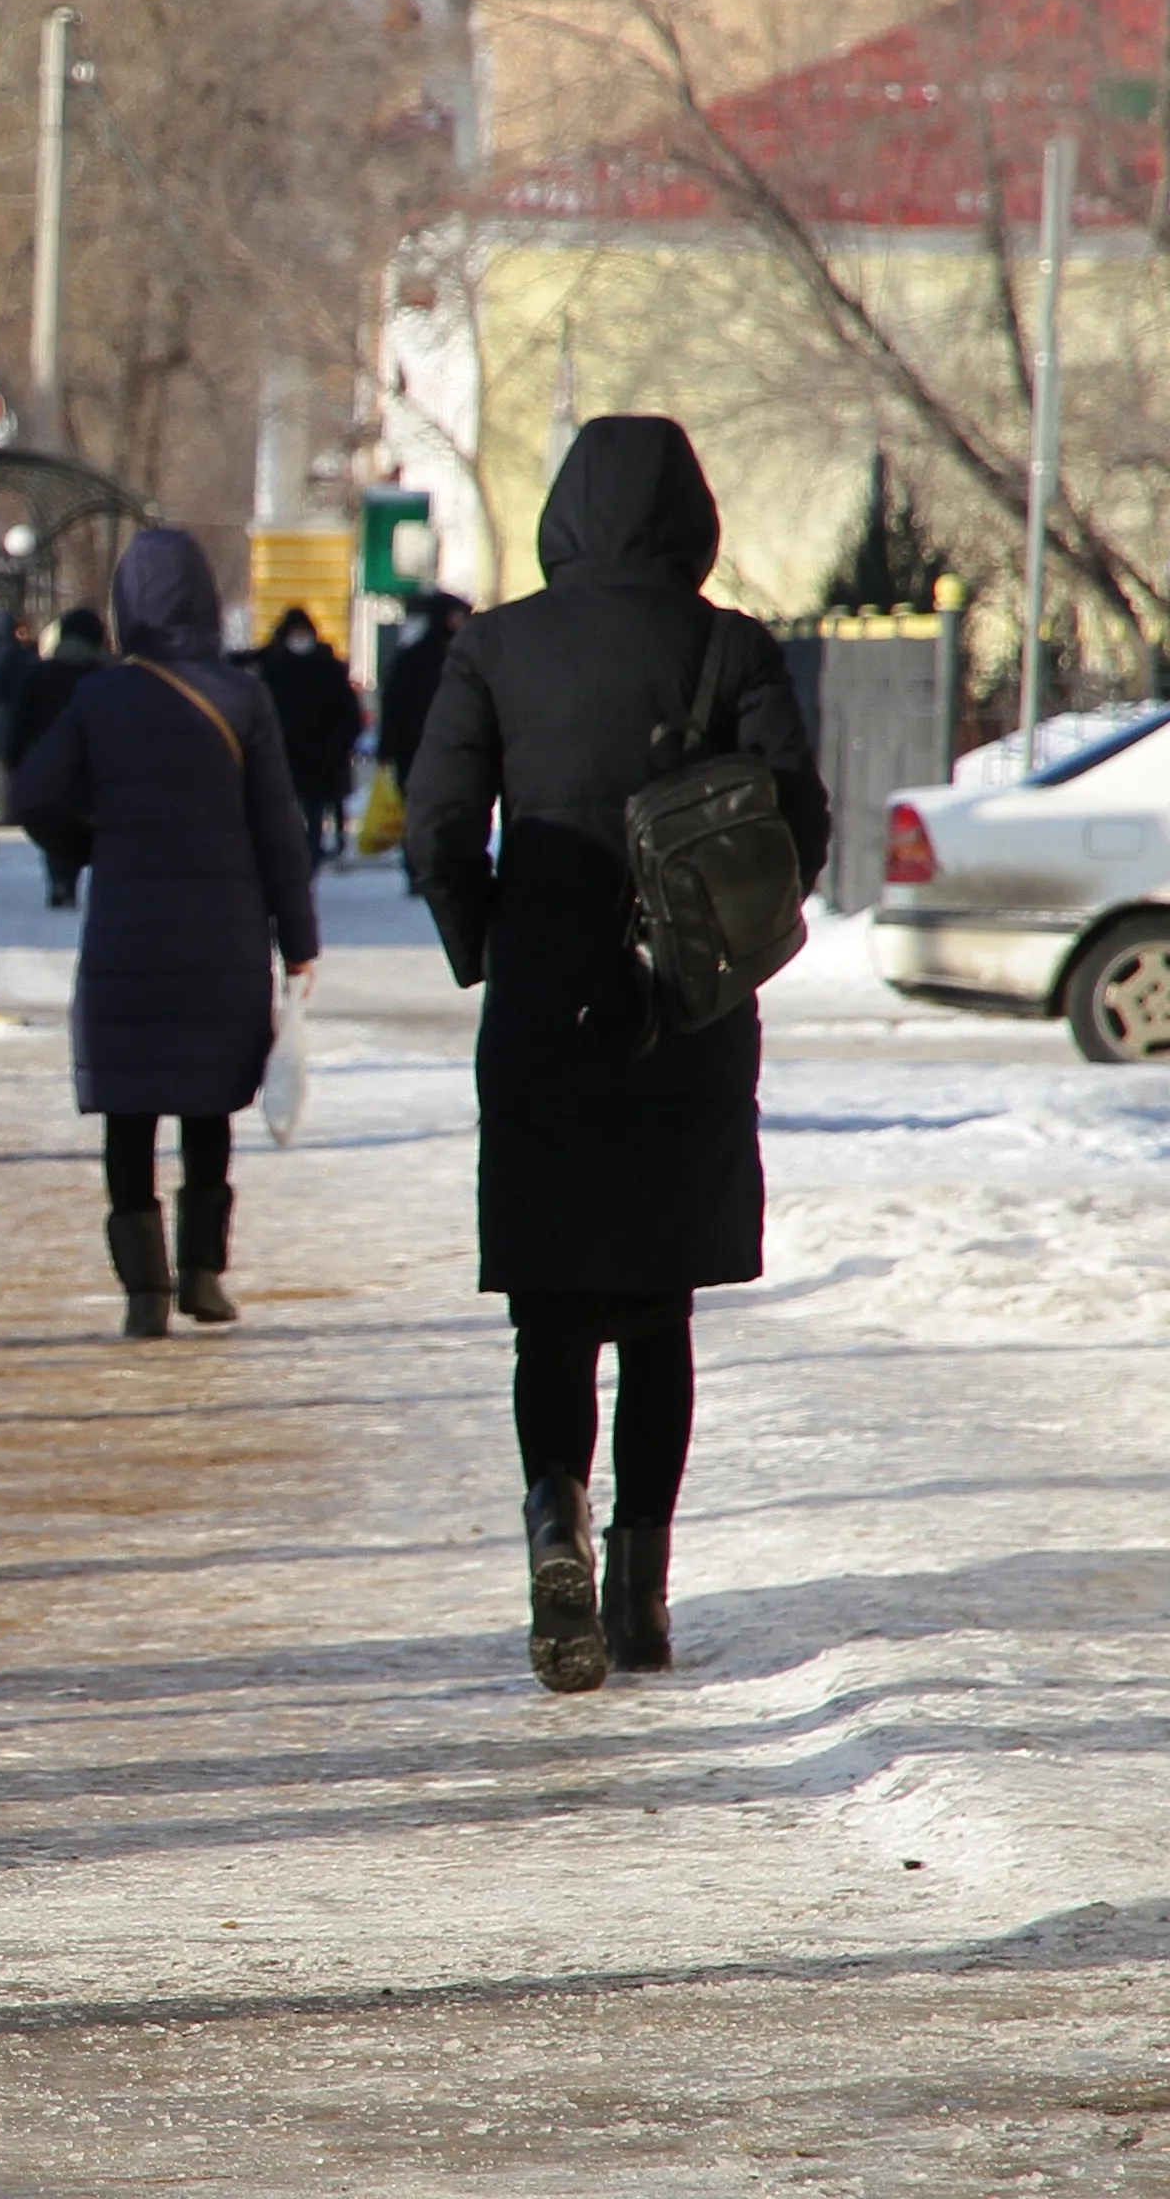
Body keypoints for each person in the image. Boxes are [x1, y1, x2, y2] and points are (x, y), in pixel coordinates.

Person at [400, 418, 824, 1696]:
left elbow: (432, 827)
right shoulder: (731, 646)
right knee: (659, 1310)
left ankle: (554, 1530)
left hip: (544, 1015)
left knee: (551, 1307)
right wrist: (722, 950)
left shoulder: (493, 645)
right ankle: (642, 1597)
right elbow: (795, 822)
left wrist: (492, 940)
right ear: (691, 513)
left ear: (564, 514)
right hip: (686, 1017)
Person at [1, 530, 320, 1337]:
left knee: (130, 1110)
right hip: (225, 936)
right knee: (209, 1105)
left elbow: (34, 794)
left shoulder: (102, 697)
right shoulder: (242, 696)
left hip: (127, 936)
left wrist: (86, 850)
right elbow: (280, 828)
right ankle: (204, 1275)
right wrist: (300, 940)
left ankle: (144, 1290)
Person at [5, 606, 111, 906]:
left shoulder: (40, 674)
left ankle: (61, 880)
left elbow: (18, 727)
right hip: (95, 767)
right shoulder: (106, 678)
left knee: (55, 825)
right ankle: (86, 883)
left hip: (47, 764)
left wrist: (17, 763)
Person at [256, 606, 367, 858]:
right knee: (285, 811)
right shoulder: (273, 668)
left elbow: (349, 713)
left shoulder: (327, 667)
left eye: (303, 632)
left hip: (321, 758)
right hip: (284, 756)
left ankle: (311, 854)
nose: (299, 638)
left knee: (314, 812)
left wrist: (340, 744)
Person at [379, 592, 467, 893]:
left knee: (451, 810)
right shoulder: (415, 658)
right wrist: (387, 748)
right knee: (417, 812)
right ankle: (418, 868)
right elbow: (394, 704)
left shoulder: (468, 654)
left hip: (457, 749)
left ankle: (444, 866)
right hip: (413, 748)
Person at [0, 611, 42, 813]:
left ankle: (7, 810)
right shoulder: (21, 653)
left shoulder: (0, 655)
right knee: (11, 768)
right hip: (16, 715)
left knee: (1, 770)